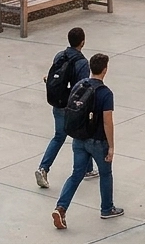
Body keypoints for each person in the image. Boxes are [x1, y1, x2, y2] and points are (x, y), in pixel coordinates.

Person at [52, 53, 120, 228]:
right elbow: (107, 122)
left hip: (79, 139)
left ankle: (61, 208)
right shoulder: (105, 93)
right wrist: (111, 146)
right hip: (98, 141)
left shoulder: (80, 85)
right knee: (105, 174)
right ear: (105, 70)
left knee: (76, 175)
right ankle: (107, 208)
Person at [36, 27, 91, 189]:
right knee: (83, 137)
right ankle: (86, 169)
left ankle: (43, 168)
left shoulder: (59, 56)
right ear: (83, 42)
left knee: (59, 137)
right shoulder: (82, 63)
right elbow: (81, 89)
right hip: (71, 107)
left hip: (57, 102)